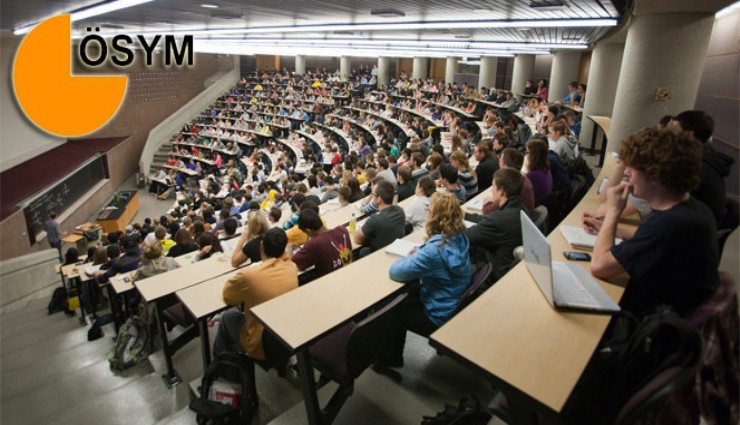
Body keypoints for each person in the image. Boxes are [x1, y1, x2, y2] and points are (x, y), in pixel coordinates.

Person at [587, 127, 719, 317]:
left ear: (655, 175)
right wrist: (610, 229)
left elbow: (600, 266)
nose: (627, 172)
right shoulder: (692, 208)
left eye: (633, 168)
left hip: (653, 322)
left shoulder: (670, 224)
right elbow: (647, 237)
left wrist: (613, 212)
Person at [375, 191, 471, 371]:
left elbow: (396, 272)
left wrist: (416, 256)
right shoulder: (460, 236)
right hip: (451, 300)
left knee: (392, 307)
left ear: (435, 217)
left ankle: (389, 359)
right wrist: (422, 252)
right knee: (407, 292)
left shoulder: (434, 251)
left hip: (438, 314)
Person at [213, 228, 298, 361]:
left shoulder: (250, 275)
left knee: (226, 317)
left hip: (261, 342)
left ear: (261, 246)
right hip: (288, 332)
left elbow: (228, 297)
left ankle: (223, 364)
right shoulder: (291, 267)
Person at [670, 110, 734, 227]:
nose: (667, 134)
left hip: (692, 228)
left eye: (674, 129)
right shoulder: (704, 157)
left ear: (689, 135)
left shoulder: (692, 165)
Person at [465, 168, 526, 282]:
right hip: (506, 264)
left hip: (492, 272)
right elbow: (488, 221)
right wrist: (466, 215)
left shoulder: (499, 219)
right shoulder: (520, 208)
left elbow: (466, 236)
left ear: (501, 191)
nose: (492, 190)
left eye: (493, 186)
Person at [291, 208, 353, 279]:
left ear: (308, 231)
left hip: (332, 281)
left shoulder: (315, 243)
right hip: (350, 274)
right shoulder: (342, 229)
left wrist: (290, 247)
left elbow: (293, 264)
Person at [354, 180, 406, 254]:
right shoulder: (400, 211)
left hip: (380, 254)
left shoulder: (375, 219)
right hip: (397, 249)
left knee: (362, 251)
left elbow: (357, 240)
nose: (372, 196)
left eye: (373, 194)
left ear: (379, 199)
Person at [524, 138, 553, 202]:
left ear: (534, 156)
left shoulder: (531, 176)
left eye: (527, 152)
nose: (526, 155)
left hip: (534, 204)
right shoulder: (546, 170)